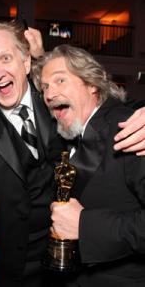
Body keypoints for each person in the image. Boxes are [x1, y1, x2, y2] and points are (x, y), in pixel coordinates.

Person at [0, 20, 145, 287]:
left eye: (5, 58)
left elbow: (109, 104)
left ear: (25, 63)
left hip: (84, 259)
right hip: (16, 268)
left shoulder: (56, 97)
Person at [32, 44, 145, 286]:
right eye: (45, 87)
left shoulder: (131, 129)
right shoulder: (68, 136)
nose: (49, 94)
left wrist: (86, 226)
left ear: (92, 84)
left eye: (60, 80)